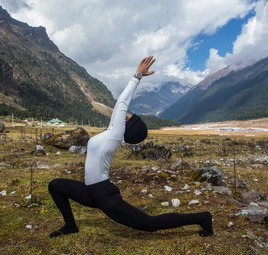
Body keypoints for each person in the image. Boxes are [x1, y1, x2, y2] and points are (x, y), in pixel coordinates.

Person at [48, 56, 214, 238]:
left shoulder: (115, 135)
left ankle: (202, 218)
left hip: (104, 196)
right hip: (90, 191)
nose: (126, 115)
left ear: (128, 129)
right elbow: (119, 109)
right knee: (55, 185)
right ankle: (70, 225)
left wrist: (137, 76)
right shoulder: (113, 133)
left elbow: (121, 102)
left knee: (148, 224)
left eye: (129, 118)